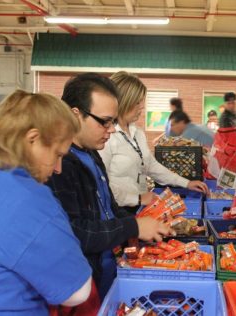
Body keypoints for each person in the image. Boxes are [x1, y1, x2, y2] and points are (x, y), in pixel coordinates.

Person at [46, 73, 172, 300]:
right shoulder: (58, 165)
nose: (112, 129)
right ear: (76, 115)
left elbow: (108, 208)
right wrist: (132, 227)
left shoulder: (92, 154)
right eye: (104, 121)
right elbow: (74, 232)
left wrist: (140, 225)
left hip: (107, 268)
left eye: (113, 121)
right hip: (83, 283)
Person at [0, 90, 92, 314]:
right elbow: (77, 292)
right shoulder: (27, 199)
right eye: (57, 154)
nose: (58, 169)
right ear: (32, 139)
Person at [99, 71, 208, 210]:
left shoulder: (137, 133)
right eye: (137, 102)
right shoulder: (105, 136)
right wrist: (137, 198)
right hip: (116, 212)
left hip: (138, 209)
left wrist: (186, 183)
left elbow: (151, 166)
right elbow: (100, 183)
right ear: (124, 101)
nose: (142, 107)